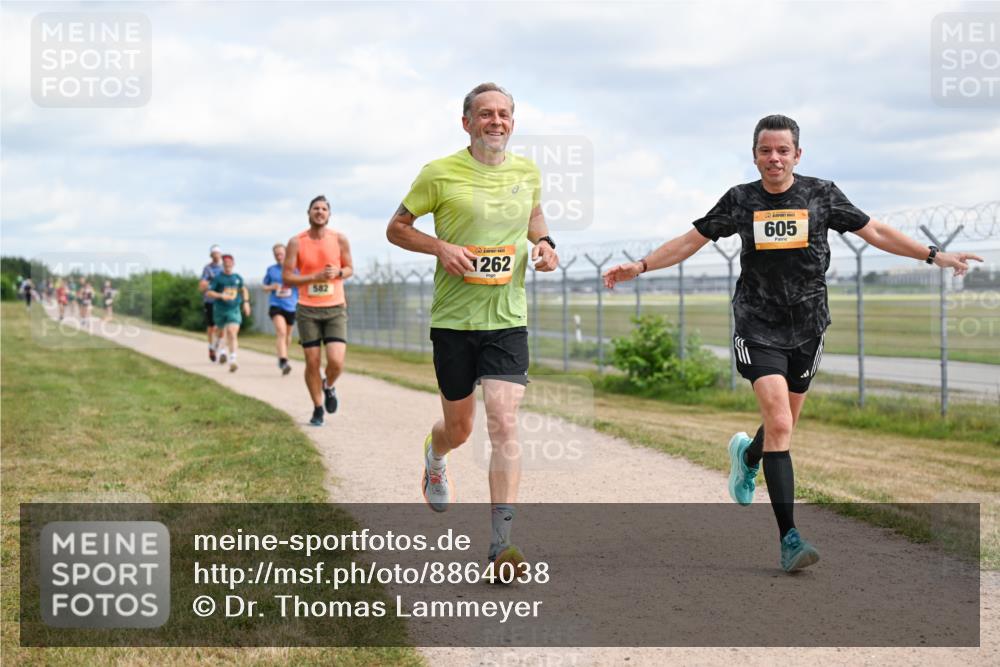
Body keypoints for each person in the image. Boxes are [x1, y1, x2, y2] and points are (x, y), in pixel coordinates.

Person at [602, 114, 983, 572]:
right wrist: (639, 267)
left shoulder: (821, 194)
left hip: (807, 327)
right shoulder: (741, 200)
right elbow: (690, 241)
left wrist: (934, 255)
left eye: (783, 150)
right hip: (757, 324)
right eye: (766, 150)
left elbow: (876, 232)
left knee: (782, 427)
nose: (775, 158)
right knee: (780, 421)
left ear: (797, 155)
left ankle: (747, 456)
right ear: (755, 155)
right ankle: (790, 540)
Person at [386, 82, 559, 572]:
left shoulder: (527, 172)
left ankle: (500, 544)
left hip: (507, 318)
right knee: (460, 429)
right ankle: (435, 454)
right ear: (467, 122)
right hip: (454, 321)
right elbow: (396, 228)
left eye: (504, 114)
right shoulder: (438, 173)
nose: (496, 121)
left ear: (513, 122)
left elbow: (534, 215)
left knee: (504, 419)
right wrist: (441, 248)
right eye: (486, 114)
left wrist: (545, 243)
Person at [282, 196, 353, 426]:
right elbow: (287, 277)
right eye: (316, 208)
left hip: (335, 307)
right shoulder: (296, 242)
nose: (320, 212)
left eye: (324, 209)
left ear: (329, 214)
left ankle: (329, 385)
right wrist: (314, 276)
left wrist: (339, 273)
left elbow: (350, 268)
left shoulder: (339, 239)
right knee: (312, 362)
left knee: (336, 361)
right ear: (309, 213)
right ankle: (317, 407)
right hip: (308, 309)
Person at [205, 254, 251, 372]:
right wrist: (221, 295)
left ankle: (233, 360)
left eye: (230, 263)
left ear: (233, 264)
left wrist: (246, 302)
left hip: (234, 308)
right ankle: (221, 350)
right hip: (220, 309)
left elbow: (244, 289)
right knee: (220, 333)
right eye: (225, 264)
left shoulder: (237, 278)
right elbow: (209, 293)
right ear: (223, 265)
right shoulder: (218, 278)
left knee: (232, 332)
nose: (228, 265)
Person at [262, 243, 298, 375]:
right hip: (276, 305)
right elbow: (264, 287)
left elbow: (302, 284)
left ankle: (283, 356)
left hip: (291, 306)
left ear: (286, 253)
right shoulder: (271, 270)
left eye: (281, 253)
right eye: (276, 254)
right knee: (281, 332)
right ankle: (283, 361)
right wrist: (272, 287)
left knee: (288, 335)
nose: (279, 256)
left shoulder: (295, 269)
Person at [199, 245, 225, 363]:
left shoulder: (224, 268)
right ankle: (211, 348)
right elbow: (202, 285)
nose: (216, 255)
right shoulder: (208, 268)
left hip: (222, 301)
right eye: (214, 253)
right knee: (212, 327)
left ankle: (217, 346)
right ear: (211, 255)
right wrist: (209, 285)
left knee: (221, 327)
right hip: (210, 301)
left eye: (218, 253)